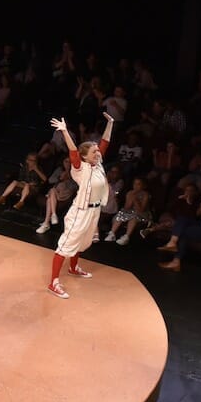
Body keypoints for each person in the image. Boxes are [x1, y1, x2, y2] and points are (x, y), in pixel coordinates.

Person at [46, 113, 115, 299]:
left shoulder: (98, 164)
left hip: (95, 210)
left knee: (83, 242)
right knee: (66, 245)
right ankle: (53, 282)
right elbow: (73, 152)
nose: (98, 153)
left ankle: (74, 267)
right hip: (80, 212)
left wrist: (110, 123)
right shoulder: (79, 168)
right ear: (85, 157)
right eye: (94, 152)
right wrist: (65, 131)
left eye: (97, 152)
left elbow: (105, 143)